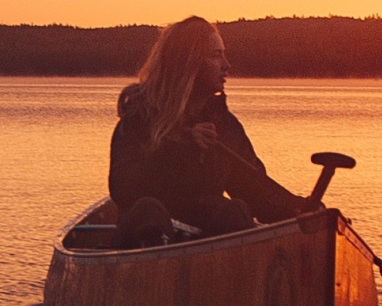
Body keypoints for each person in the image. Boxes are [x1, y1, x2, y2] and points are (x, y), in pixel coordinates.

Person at [108, 17, 304, 244]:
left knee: (233, 211)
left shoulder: (224, 125)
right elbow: (124, 189)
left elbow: (254, 191)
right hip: (146, 239)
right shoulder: (138, 120)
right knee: (147, 210)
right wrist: (183, 150)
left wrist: (298, 209)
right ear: (188, 63)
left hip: (207, 245)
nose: (226, 65)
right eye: (215, 56)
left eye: (223, 54)